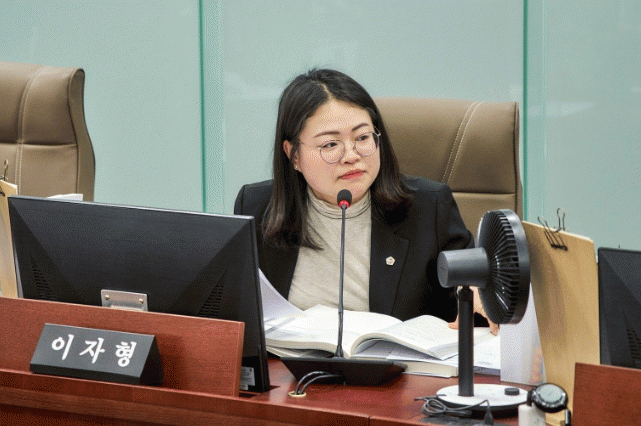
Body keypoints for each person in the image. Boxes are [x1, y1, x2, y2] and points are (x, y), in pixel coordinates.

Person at [234, 68, 496, 332]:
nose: (351, 155)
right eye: (330, 144)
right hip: (287, 359)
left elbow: (471, 294)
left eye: (362, 138)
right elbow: (235, 312)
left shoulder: (429, 208)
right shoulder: (256, 207)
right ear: (293, 155)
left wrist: (480, 294)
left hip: (394, 359)